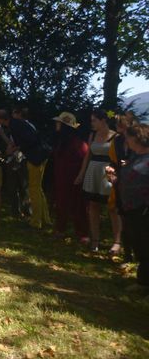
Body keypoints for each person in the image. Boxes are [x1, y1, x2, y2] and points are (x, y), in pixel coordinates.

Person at [0, 109, 51, 229]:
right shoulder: (17, 123)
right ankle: (45, 218)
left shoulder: (15, 125)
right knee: (38, 188)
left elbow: (31, 140)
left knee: (34, 189)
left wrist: (16, 149)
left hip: (36, 157)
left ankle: (36, 221)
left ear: (0, 119)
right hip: (40, 154)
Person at [109, 124, 149, 291]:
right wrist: (115, 179)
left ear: (137, 138)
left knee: (147, 246)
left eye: (128, 137)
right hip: (131, 208)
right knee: (139, 246)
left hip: (145, 209)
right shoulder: (135, 156)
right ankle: (143, 282)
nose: (126, 140)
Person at [74, 109, 119, 252]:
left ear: (103, 120)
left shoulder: (115, 137)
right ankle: (95, 240)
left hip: (107, 172)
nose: (92, 123)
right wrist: (81, 174)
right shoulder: (92, 135)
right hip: (93, 171)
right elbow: (88, 156)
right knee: (93, 206)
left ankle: (117, 242)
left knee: (112, 208)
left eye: (94, 120)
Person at [51, 112, 89, 241]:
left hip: (74, 179)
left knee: (78, 205)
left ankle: (82, 233)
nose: (56, 124)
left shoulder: (78, 143)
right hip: (61, 178)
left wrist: (80, 176)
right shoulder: (60, 141)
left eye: (59, 123)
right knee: (61, 203)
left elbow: (85, 158)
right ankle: (60, 230)